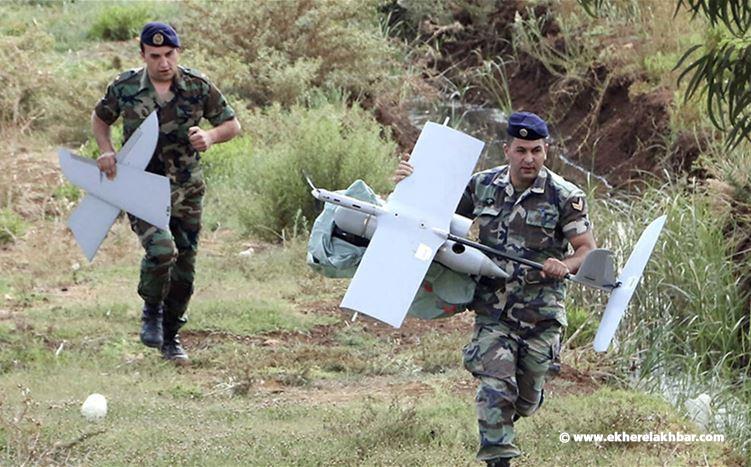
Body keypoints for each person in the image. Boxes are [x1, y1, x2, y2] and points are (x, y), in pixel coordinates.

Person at [394, 112, 596, 466]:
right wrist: (409, 182)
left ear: (546, 150)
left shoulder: (565, 195)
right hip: (493, 310)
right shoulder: (482, 185)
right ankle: (498, 458)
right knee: (494, 385)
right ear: (507, 150)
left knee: (526, 399)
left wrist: (564, 265)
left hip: (541, 313)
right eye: (521, 150)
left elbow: (586, 250)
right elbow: (434, 213)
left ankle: (525, 400)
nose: (529, 159)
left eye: (536, 150)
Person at [92, 22, 241, 363]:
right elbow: (101, 119)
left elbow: (232, 124)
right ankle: (151, 309)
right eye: (155, 56)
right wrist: (105, 149)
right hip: (140, 186)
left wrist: (211, 137)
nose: (163, 63)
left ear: (178, 52)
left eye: (169, 55)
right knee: (161, 251)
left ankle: (171, 338)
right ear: (142, 54)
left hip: (187, 190)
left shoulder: (198, 86)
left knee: (185, 269)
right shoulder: (125, 86)